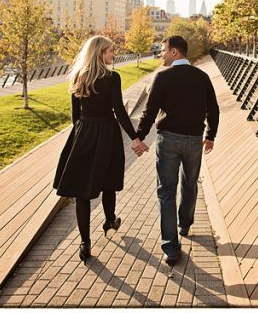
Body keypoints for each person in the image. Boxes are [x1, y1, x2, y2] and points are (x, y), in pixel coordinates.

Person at [131, 35, 220, 266]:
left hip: (168, 141)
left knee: (166, 192)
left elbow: (149, 112)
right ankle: (185, 225)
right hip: (193, 141)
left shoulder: (162, 77)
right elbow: (214, 109)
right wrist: (210, 136)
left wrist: (139, 136)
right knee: (190, 184)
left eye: (163, 50)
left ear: (175, 52)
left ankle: (170, 248)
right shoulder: (202, 77)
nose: (160, 54)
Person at [53, 35, 142, 264]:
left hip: (83, 133)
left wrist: (82, 132)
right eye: (111, 51)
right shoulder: (112, 78)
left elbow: (74, 116)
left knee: (82, 191)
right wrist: (135, 137)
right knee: (108, 181)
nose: (114, 54)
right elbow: (119, 111)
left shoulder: (77, 77)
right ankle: (110, 220)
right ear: (100, 53)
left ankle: (85, 242)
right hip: (107, 134)